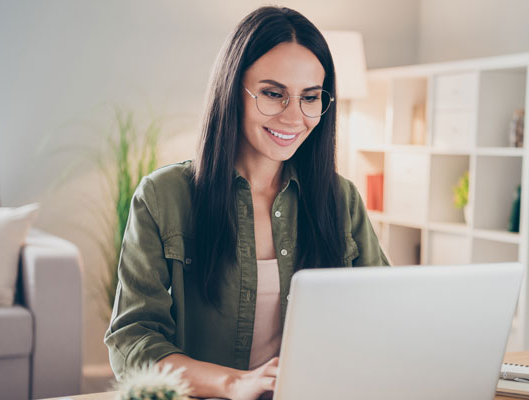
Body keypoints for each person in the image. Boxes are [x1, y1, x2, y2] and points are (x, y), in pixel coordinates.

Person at [105, 6, 389, 400]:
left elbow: (386, 320)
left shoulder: (342, 200)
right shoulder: (163, 196)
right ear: (232, 89)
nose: (294, 117)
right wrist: (235, 383)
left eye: (310, 97)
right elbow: (132, 344)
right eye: (273, 94)